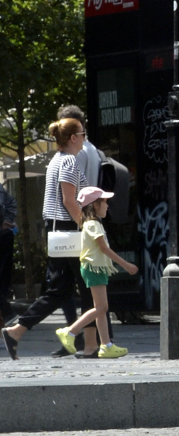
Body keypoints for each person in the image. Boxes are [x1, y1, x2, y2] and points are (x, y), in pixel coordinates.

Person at [5, 117, 95, 360]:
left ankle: (16, 331)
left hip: (57, 232)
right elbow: (68, 200)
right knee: (90, 287)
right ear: (73, 138)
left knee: (58, 290)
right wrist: (87, 226)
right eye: (83, 134)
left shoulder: (56, 161)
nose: (85, 138)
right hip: (70, 230)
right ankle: (90, 344)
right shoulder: (68, 162)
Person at [56, 186, 136, 360]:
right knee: (101, 307)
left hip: (95, 268)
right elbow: (104, 248)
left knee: (100, 308)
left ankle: (106, 345)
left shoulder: (91, 223)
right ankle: (70, 331)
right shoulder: (93, 224)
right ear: (95, 205)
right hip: (93, 268)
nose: (107, 206)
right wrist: (125, 264)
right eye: (105, 202)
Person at [0, 176, 16, 325]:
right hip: (4, 235)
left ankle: (7, 313)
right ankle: (7, 313)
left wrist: (6, 221)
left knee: (4, 281)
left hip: (3, 236)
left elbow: (10, 203)